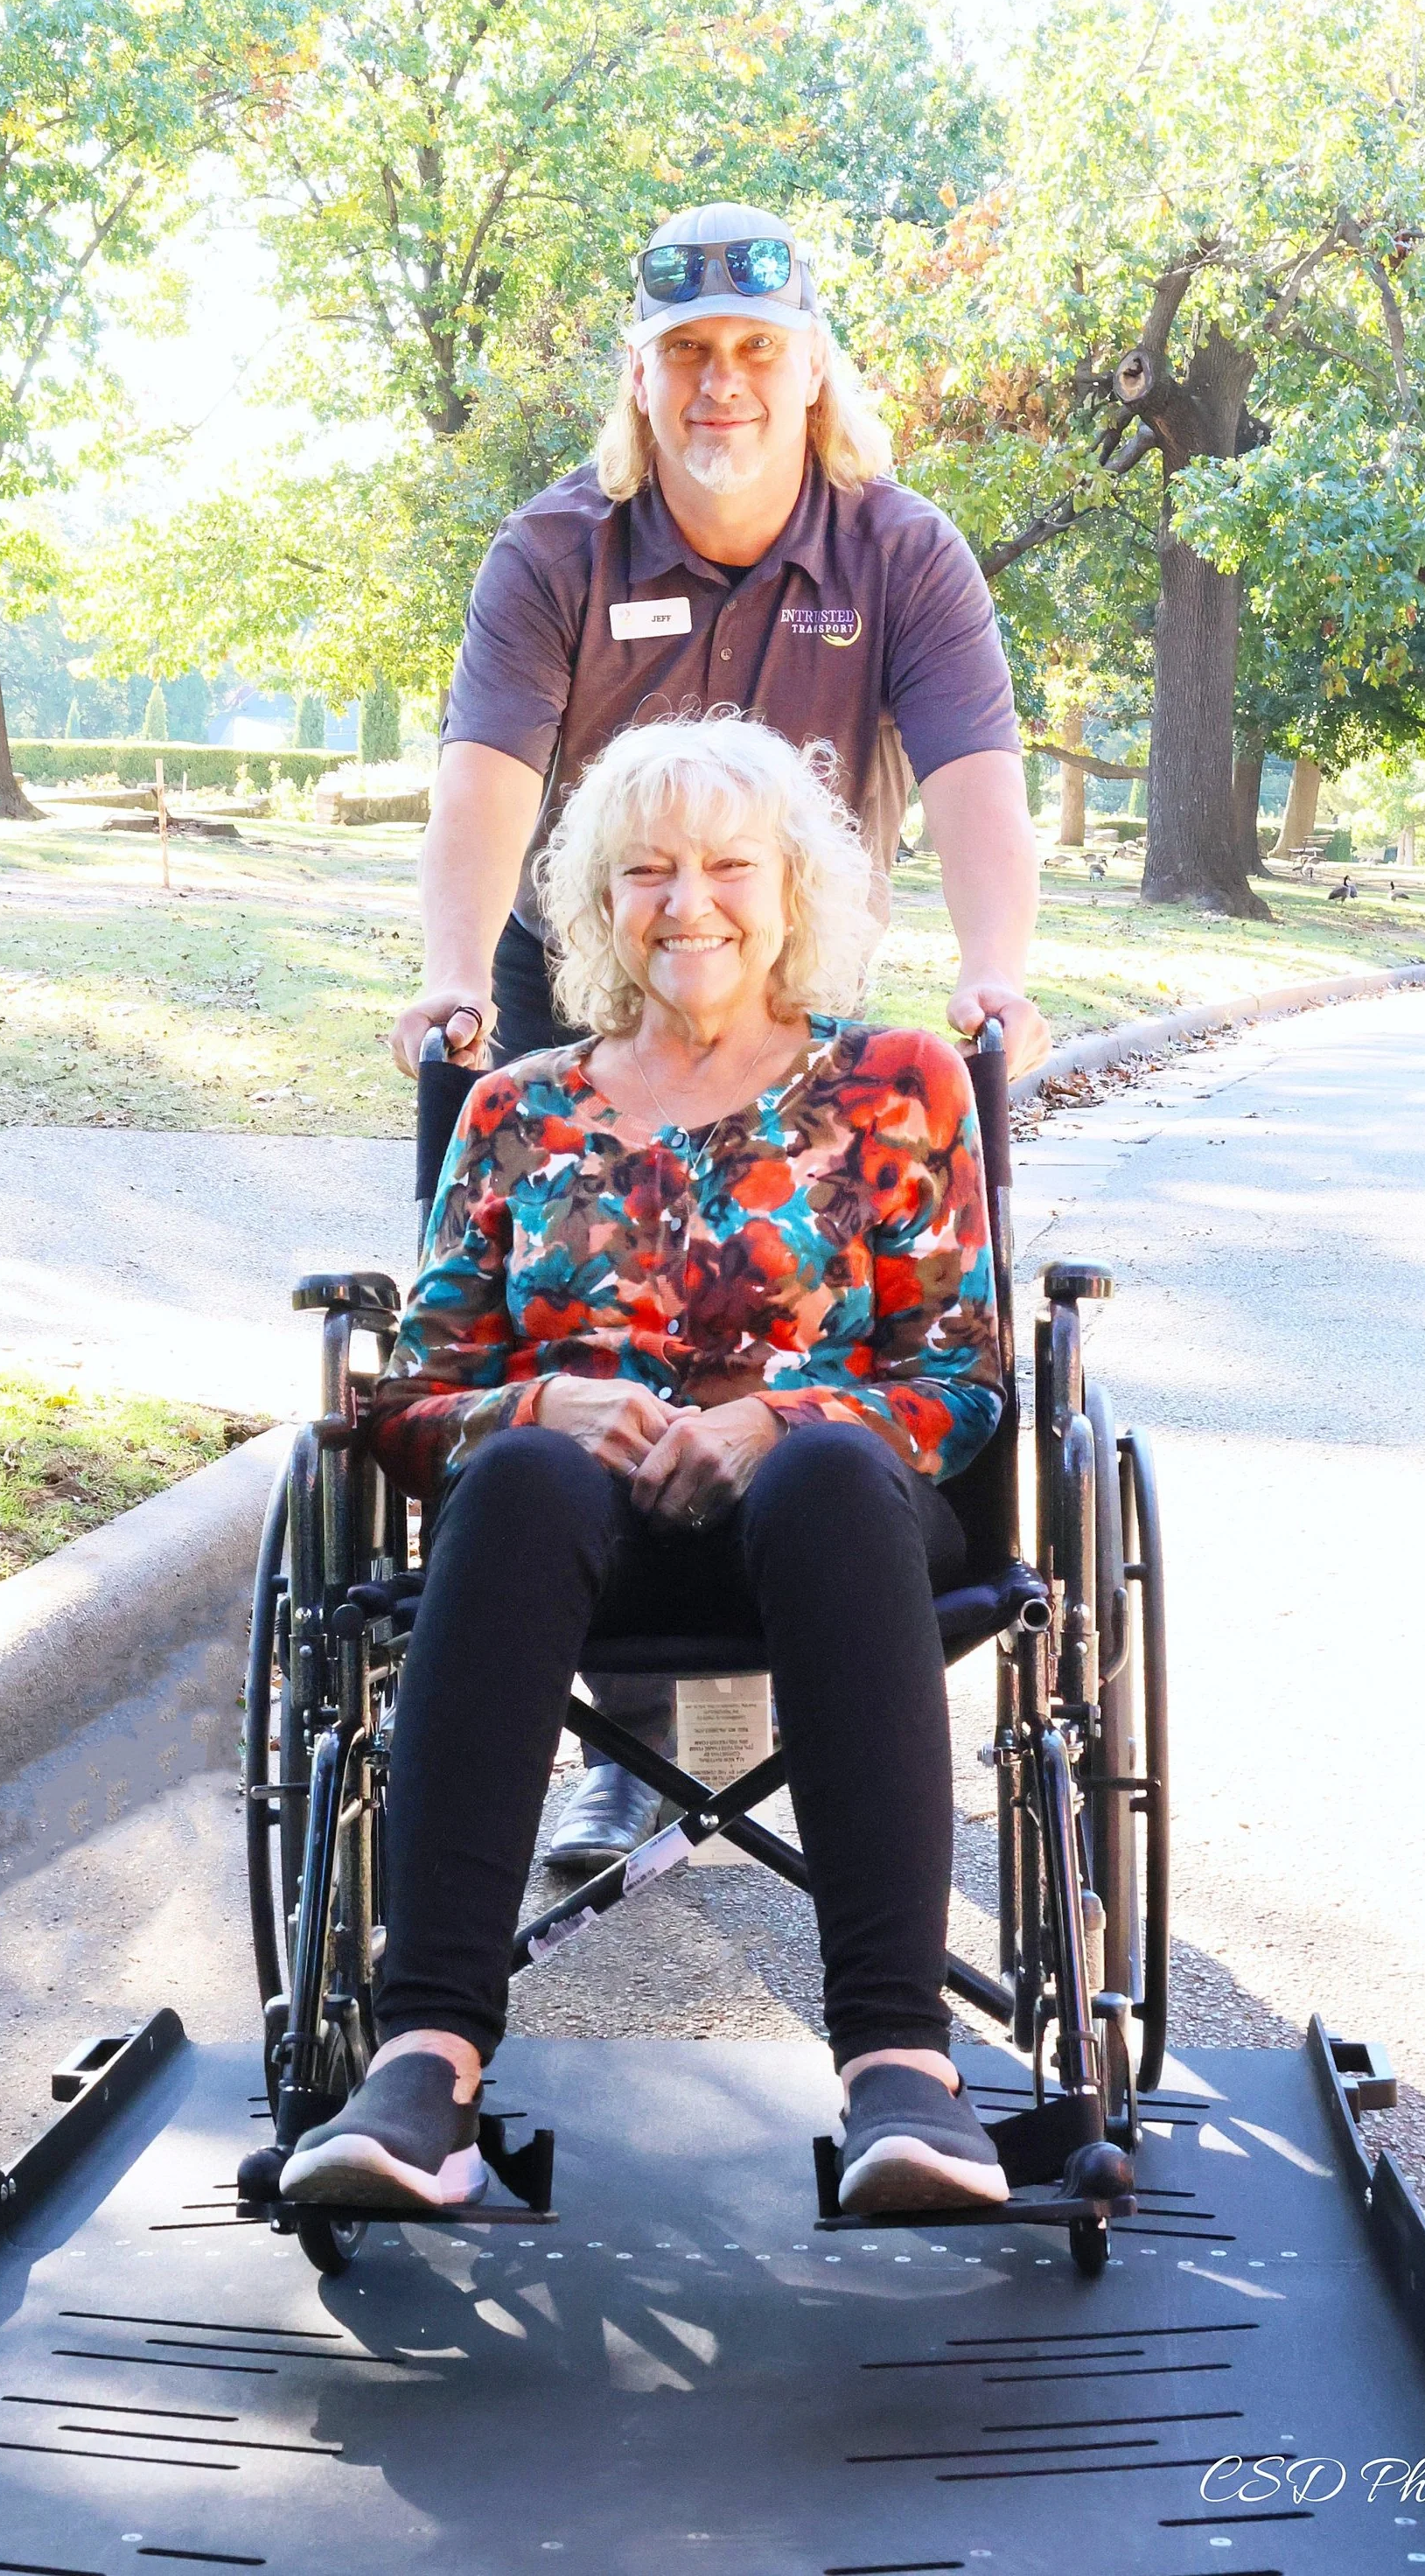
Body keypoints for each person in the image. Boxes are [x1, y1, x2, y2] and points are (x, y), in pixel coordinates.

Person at [389, 197, 1046, 1868]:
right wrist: (457, 976)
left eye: (757, 350)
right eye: (688, 354)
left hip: (795, 962)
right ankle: (626, 1731)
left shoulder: (902, 550)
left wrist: (995, 971)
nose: (723, 384)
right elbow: (487, 784)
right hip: (591, 952)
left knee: (789, 1307)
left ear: (811, 369)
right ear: (643, 375)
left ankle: (811, 1658)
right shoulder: (558, 550)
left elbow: (975, 773)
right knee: (585, 1329)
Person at [283, 719, 1011, 2218]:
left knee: (815, 1477)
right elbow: (416, 1396)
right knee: (526, 1475)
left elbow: (965, 1376)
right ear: (597, 905)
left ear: (795, 889)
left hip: (840, 1523)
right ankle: (423, 2067)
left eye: (730, 865)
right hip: (567, 1541)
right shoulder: (516, 1111)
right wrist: (537, 1401)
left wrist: (788, 1418)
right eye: (647, 872)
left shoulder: (897, 1082)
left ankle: (903, 2072)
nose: (691, 903)